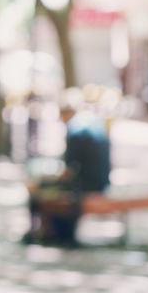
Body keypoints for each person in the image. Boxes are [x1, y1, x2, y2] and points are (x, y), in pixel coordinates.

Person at [23, 93, 111, 245]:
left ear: (65, 113)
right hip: (102, 181)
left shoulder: (75, 130)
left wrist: (44, 179)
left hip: (87, 185)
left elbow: (68, 171)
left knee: (37, 190)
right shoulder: (91, 122)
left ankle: (38, 231)